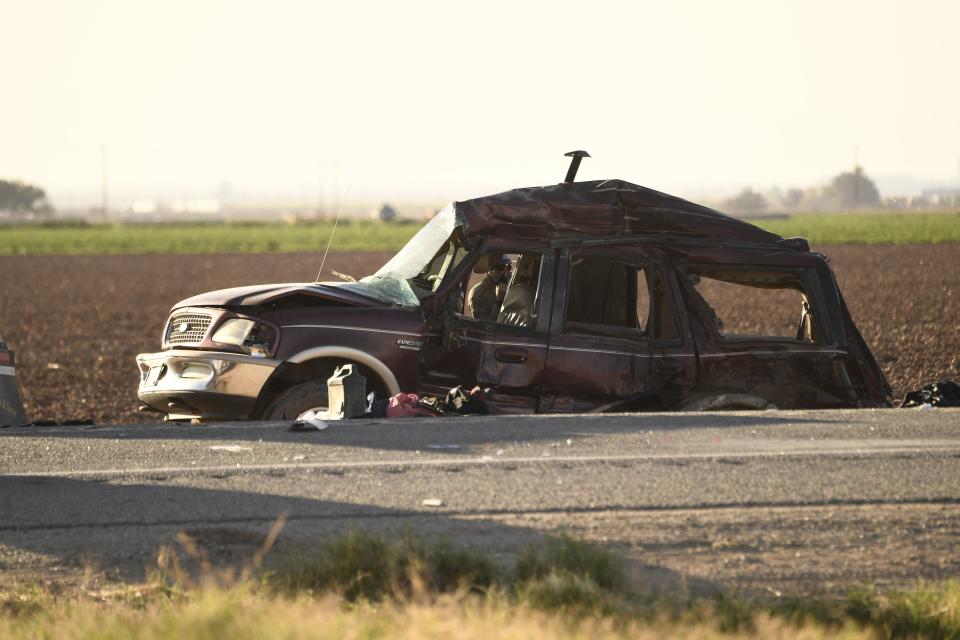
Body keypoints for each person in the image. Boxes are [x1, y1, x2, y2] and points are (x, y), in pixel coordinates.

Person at [468, 257, 510, 321]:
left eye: (500, 267)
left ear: (507, 269)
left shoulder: (514, 285)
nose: (494, 271)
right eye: (491, 267)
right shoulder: (477, 295)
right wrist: (498, 301)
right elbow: (487, 326)